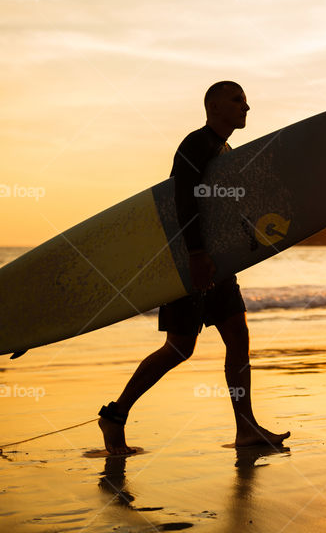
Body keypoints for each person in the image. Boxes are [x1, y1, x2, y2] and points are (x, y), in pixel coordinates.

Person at [98, 81, 290, 454]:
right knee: (179, 347)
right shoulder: (196, 145)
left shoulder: (225, 150)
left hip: (217, 263)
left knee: (237, 338)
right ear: (213, 106)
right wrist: (197, 253)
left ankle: (246, 428)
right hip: (190, 261)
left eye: (246, 101)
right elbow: (182, 201)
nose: (246, 107)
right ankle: (115, 415)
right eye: (237, 100)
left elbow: (222, 210)